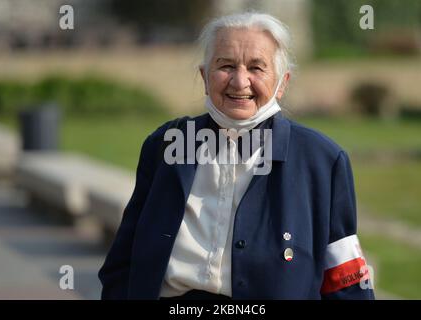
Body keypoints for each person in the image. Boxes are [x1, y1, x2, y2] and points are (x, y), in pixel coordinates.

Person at [98, 12, 375, 300]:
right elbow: (123, 262)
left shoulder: (321, 160)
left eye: (257, 67)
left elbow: (344, 280)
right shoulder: (166, 146)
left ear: (282, 83)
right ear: (205, 77)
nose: (240, 81)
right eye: (226, 66)